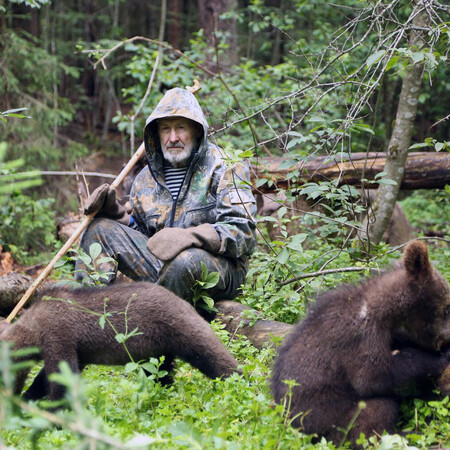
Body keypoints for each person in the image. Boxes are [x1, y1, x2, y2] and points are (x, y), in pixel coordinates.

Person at [75, 87, 257, 303]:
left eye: (180, 128)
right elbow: (146, 236)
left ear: (197, 131)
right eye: (165, 129)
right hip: (164, 270)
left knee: (184, 260)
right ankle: (87, 314)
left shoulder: (226, 167)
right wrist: (117, 215)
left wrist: (193, 237)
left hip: (219, 273)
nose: (172, 138)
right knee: (98, 229)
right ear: (156, 133)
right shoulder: (145, 178)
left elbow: (243, 233)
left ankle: (152, 327)